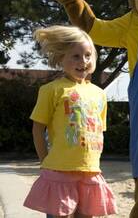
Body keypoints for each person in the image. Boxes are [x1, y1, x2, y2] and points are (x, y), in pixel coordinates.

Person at [23, 25, 117, 218]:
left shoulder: (99, 94)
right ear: (60, 58)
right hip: (59, 171)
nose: (83, 61)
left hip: (90, 171)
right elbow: (37, 129)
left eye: (88, 55)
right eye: (75, 56)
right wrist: (44, 161)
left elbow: (99, 131)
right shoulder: (51, 90)